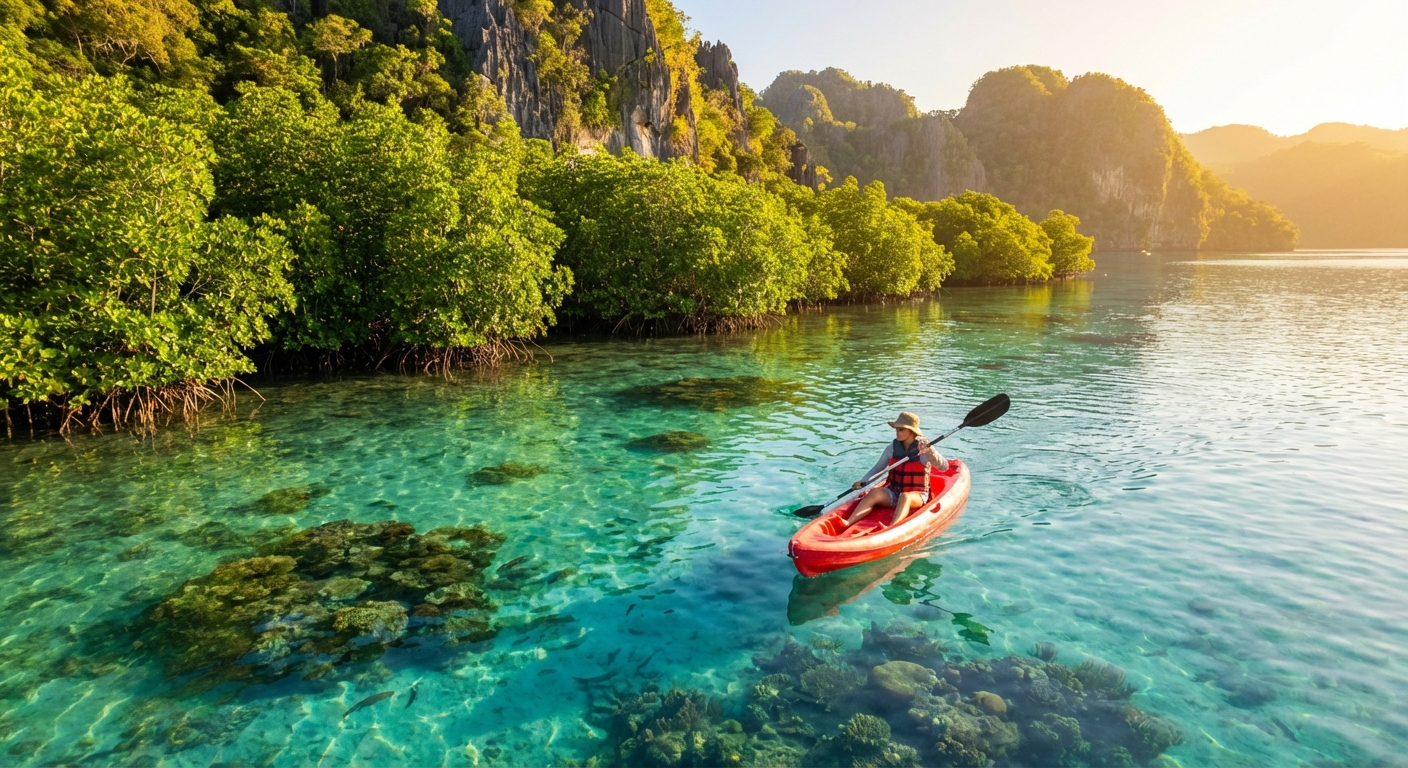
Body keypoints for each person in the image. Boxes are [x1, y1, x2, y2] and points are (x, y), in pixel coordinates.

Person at [841, 411, 948, 529]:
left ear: (911, 431)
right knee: (874, 493)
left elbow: (943, 467)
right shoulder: (892, 448)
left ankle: (891, 527)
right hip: (893, 492)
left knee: (905, 496)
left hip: (917, 495)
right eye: (896, 429)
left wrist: (931, 452)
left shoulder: (924, 448)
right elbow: (878, 468)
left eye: (901, 429)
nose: (897, 432)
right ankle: (848, 522)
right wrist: (863, 482)